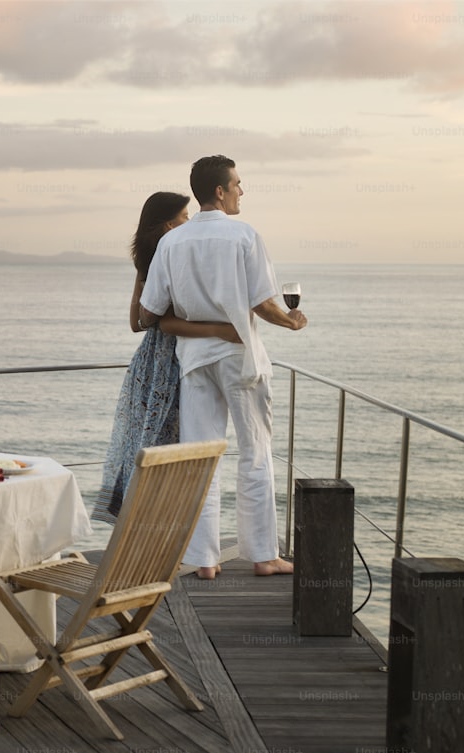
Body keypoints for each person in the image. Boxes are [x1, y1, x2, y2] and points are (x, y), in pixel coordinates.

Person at [141, 155, 307, 579]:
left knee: (202, 458)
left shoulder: (171, 242)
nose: (241, 191)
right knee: (255, 454)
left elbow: (150, 310)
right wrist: (290, 320)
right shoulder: (244, 235)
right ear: (219, 190)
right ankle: (264, 556)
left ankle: (204, 560)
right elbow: (262, 303)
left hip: (194, 360)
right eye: (237, 183)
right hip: (240, 359)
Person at [93, 192, 239, 524]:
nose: (190, 222)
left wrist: (152, 316)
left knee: (152, 446)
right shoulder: (168, 259)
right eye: (185, 217)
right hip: (170, 363)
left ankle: (147, 529)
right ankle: (164, 533)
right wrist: (221, 329)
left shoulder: (149, 260)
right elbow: (161, 321)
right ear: (169, 224)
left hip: (149, 362)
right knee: (172, 449)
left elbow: (138, 322)